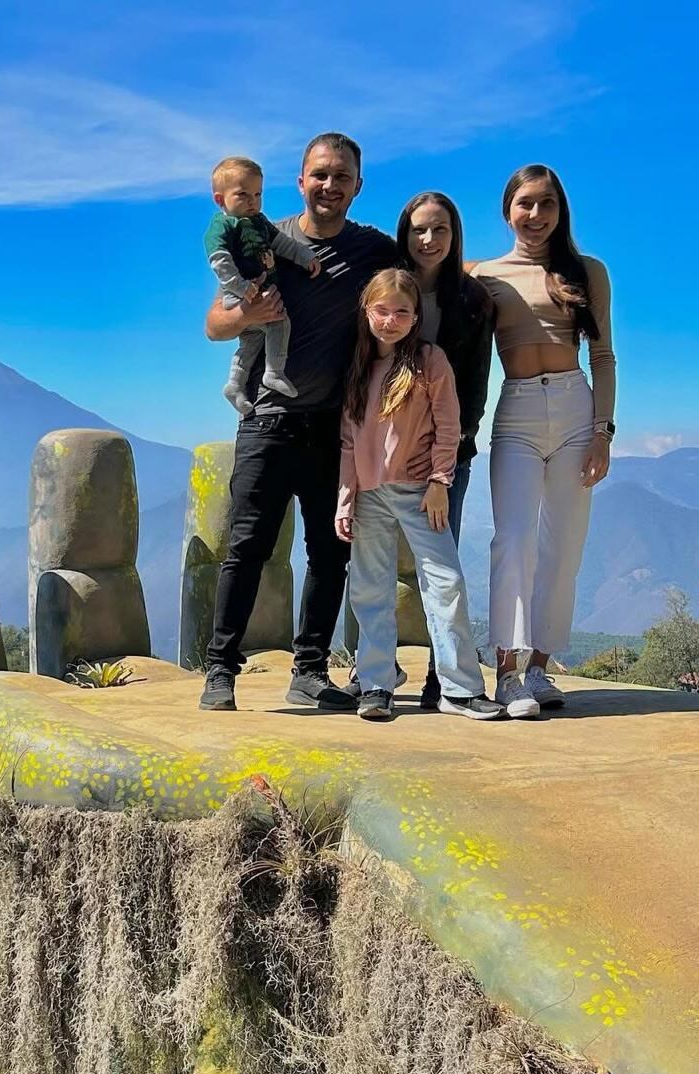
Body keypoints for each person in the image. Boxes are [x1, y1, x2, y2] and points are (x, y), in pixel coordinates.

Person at [198, 133, 400, 712]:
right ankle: (220, 670)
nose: (329, 186)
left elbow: (424, 277)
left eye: (341, 177)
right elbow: (214, 323)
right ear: (301, 180)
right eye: (320, 174)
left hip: (335, 425)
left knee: (329, 551)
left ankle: (309, 670)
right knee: (247, 547)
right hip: (268, 420)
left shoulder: (375, 251)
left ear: (358, 186)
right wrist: (246, 312)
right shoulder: (264, 234)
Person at [470, 165, 615, 717]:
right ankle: (507, 673)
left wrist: (603, 432)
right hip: (518, 409)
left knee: (566, 545)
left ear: (561, 210)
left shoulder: (587, 271)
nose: (535, 215)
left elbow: (603, 357)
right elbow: (425, 265)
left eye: (546, 203)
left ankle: (540, 669)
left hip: (578, 408)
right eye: (525, 203)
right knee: (512, 539)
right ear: (507, 209)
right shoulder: (486, 275)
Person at [343, 192, 496, 708]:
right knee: (369, 586)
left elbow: (458, 410)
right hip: (368, 488)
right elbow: (349, 434)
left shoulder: (457, 323)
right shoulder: (359, 363)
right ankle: (375, 682)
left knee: (442, 580)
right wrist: (348, 492)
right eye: (418, 230)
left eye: (441, 230)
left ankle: (454, 685)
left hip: (427, 478)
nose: (429, 240)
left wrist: (440, 477)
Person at [204, 156, 322, 413]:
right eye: (243, 195)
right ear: (220, 199)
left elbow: (282, 243)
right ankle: (274, 371)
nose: (252, 201)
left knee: (251, 341)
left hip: (254, 292)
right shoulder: (223, 225)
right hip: (244, 295)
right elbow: (219, 259)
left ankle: (235, 384)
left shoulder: (260, 222)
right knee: (279, 322)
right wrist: (240, 287)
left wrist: (305, 256)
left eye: (257, 194)